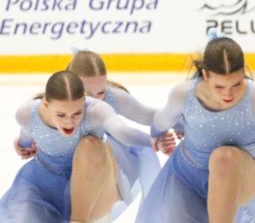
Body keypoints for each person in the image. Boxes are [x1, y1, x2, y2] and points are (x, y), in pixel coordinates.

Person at [135, 36, 255, 222]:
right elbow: (160, 121)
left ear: (243, 72)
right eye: (220, 86)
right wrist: (157, 135)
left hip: (242, 170)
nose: (229, 94)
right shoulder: (183, 94)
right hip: (187, 176)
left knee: (223, 157)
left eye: (236, 84)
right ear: (206, 75)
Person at [0, 70, 155, 222]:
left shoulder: (96, 111)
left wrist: (153, 140)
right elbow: (27, 132)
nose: (69, 122)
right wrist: (23, 144)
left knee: (90, 145)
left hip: (91, 179)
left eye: (77, 113)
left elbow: (122, 130)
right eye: (61, 115)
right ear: (46, 103)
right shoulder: (28, 113)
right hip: (43, 182)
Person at [65, 50, 175, 215]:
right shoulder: (57, 101)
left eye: (100, 92)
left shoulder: (112, 97)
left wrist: (181, 122)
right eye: (87, 94)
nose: (95, 100)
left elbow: (147, 116)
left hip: (108, 160)